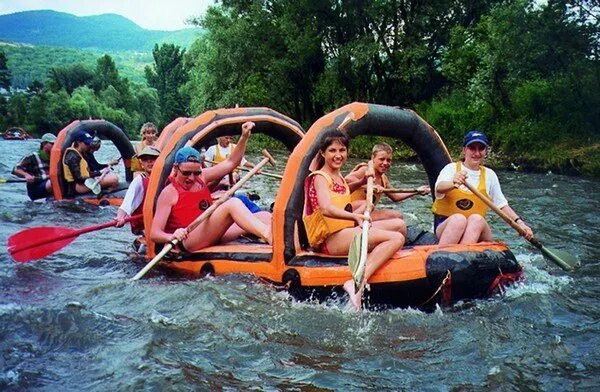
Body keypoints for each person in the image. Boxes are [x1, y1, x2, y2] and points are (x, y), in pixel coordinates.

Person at [303, 130, 404, 310]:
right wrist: (355, 216)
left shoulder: (338, 176)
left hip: (343, 232)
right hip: (329, 239)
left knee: (399, 226)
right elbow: (326, 207)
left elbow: (343, 192)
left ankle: (373, 262)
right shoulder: (319, 177)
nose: (338, 155)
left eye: (342, 150)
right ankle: (357, 282)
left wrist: (362, 184)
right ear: (323, 153)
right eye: (332, 150)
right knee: (396, 238)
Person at [150, 122, 271, 253]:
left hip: (209, 230)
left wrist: (244, 136)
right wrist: (172, 236)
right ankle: (267, 234)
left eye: (196, 173)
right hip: (189, 239)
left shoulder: (203, 177)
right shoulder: (169, 193)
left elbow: (231, 163)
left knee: (265, 216)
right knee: (233, 204)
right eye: (186, 173)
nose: (191, 178)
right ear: (176, 168)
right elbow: (154, 233)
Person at [432, 130, 534, 244]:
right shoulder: (451, 169)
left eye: (481, 148)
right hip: (446, 225)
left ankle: (464, 255)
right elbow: (439, 188)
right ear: (464, 150)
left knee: (476, 219)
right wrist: (453, 183)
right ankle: (448, 255)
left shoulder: (490, 175)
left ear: (486, 151)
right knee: (459, 219)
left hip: (475, 228)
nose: (477, 153)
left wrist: (519, 222)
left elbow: (502, 205)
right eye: (472, 148)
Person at [345, 143, 430, 236]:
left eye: (388, 160)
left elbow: (395, 196)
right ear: (373, 158)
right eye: (381, 159)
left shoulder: (383, 178)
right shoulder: (365, 170)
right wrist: (369, 186)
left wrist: (417, 191)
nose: (385, 163)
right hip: (353, 212)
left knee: (398, 216)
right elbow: (346, 181)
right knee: (396, 220)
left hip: (368, 212)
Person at [115, 146, 160, 234]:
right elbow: (126, 204)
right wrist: (120, 217)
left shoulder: (167, 179)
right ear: (142, 163)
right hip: (143, 227)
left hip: (159, 223)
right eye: (145, 159)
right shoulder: (139, 181)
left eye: (153, 158)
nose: (149, 162)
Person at [62, 130, 119, 195]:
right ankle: (107, 194)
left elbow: (86, 173)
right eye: (86, 143)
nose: (88, 145)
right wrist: (98, 174)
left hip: (84, 182)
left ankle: (105, 192)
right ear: (78, 142)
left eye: (89, 143)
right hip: (77, 187)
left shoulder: (81, 154)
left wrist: (97, 174)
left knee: (111, 176)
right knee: (114, 179)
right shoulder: (73, 156)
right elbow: (79, 179)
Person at [12, 133, 56, 200]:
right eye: (52, 144)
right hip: (36, 188)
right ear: (44, 144)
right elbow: (15, 169)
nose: (54, 146)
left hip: (49, 184)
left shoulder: (56, 157)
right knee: (52, 182)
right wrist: (26, 175)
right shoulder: (32, 156)